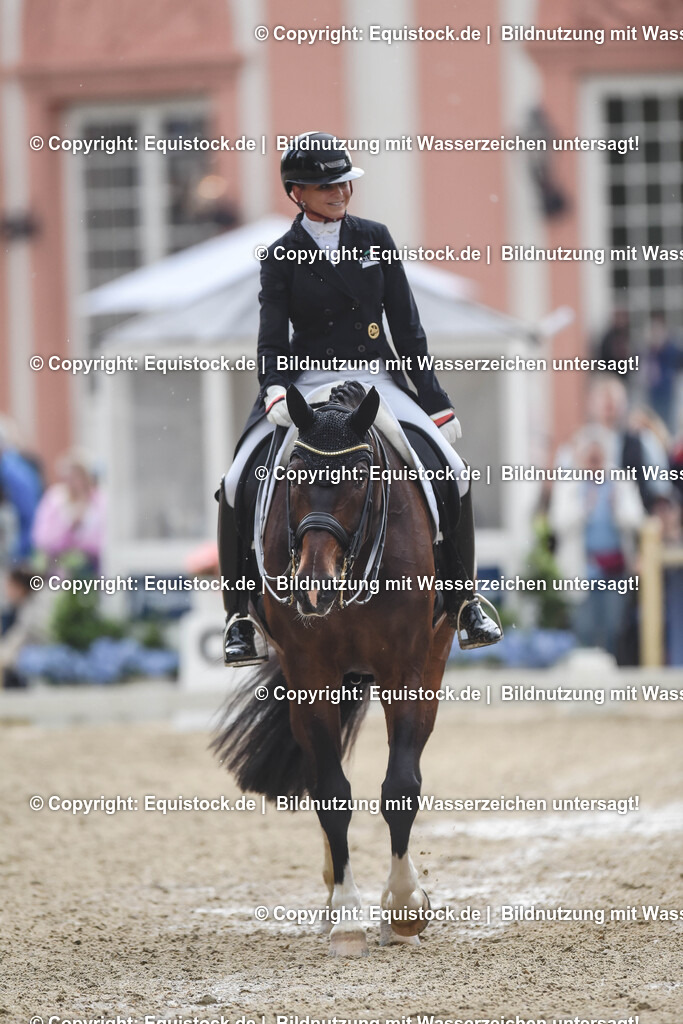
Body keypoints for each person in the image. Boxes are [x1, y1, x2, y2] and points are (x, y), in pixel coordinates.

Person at [219, 131, 502, 665]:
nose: (341, 191)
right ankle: (238, 616)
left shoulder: (376, 238)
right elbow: (272, 339)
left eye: (344, 181)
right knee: (236, 480)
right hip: (305, 380)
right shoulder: (280, 257)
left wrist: (433, 397)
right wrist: (276, 388)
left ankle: (464, 601)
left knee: (453, 470)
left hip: (377, 378)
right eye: (327, 185)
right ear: (297, 191)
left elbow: (408, 328)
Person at [32, 452, 105, 573]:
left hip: (94, 569)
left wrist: (85, 547)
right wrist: (69, 529)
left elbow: (105, 537)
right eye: (69, 477)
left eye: (77, 476)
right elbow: (42, 537)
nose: (72, 482)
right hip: (61, 569)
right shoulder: (55, 499)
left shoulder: (100, 501)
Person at [0, 567, 52, 688]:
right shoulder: (22, 606)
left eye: (9, 586)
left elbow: (20, 637)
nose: (6, 591)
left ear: (19, 587)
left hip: (42, 653)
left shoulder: (34, 608)